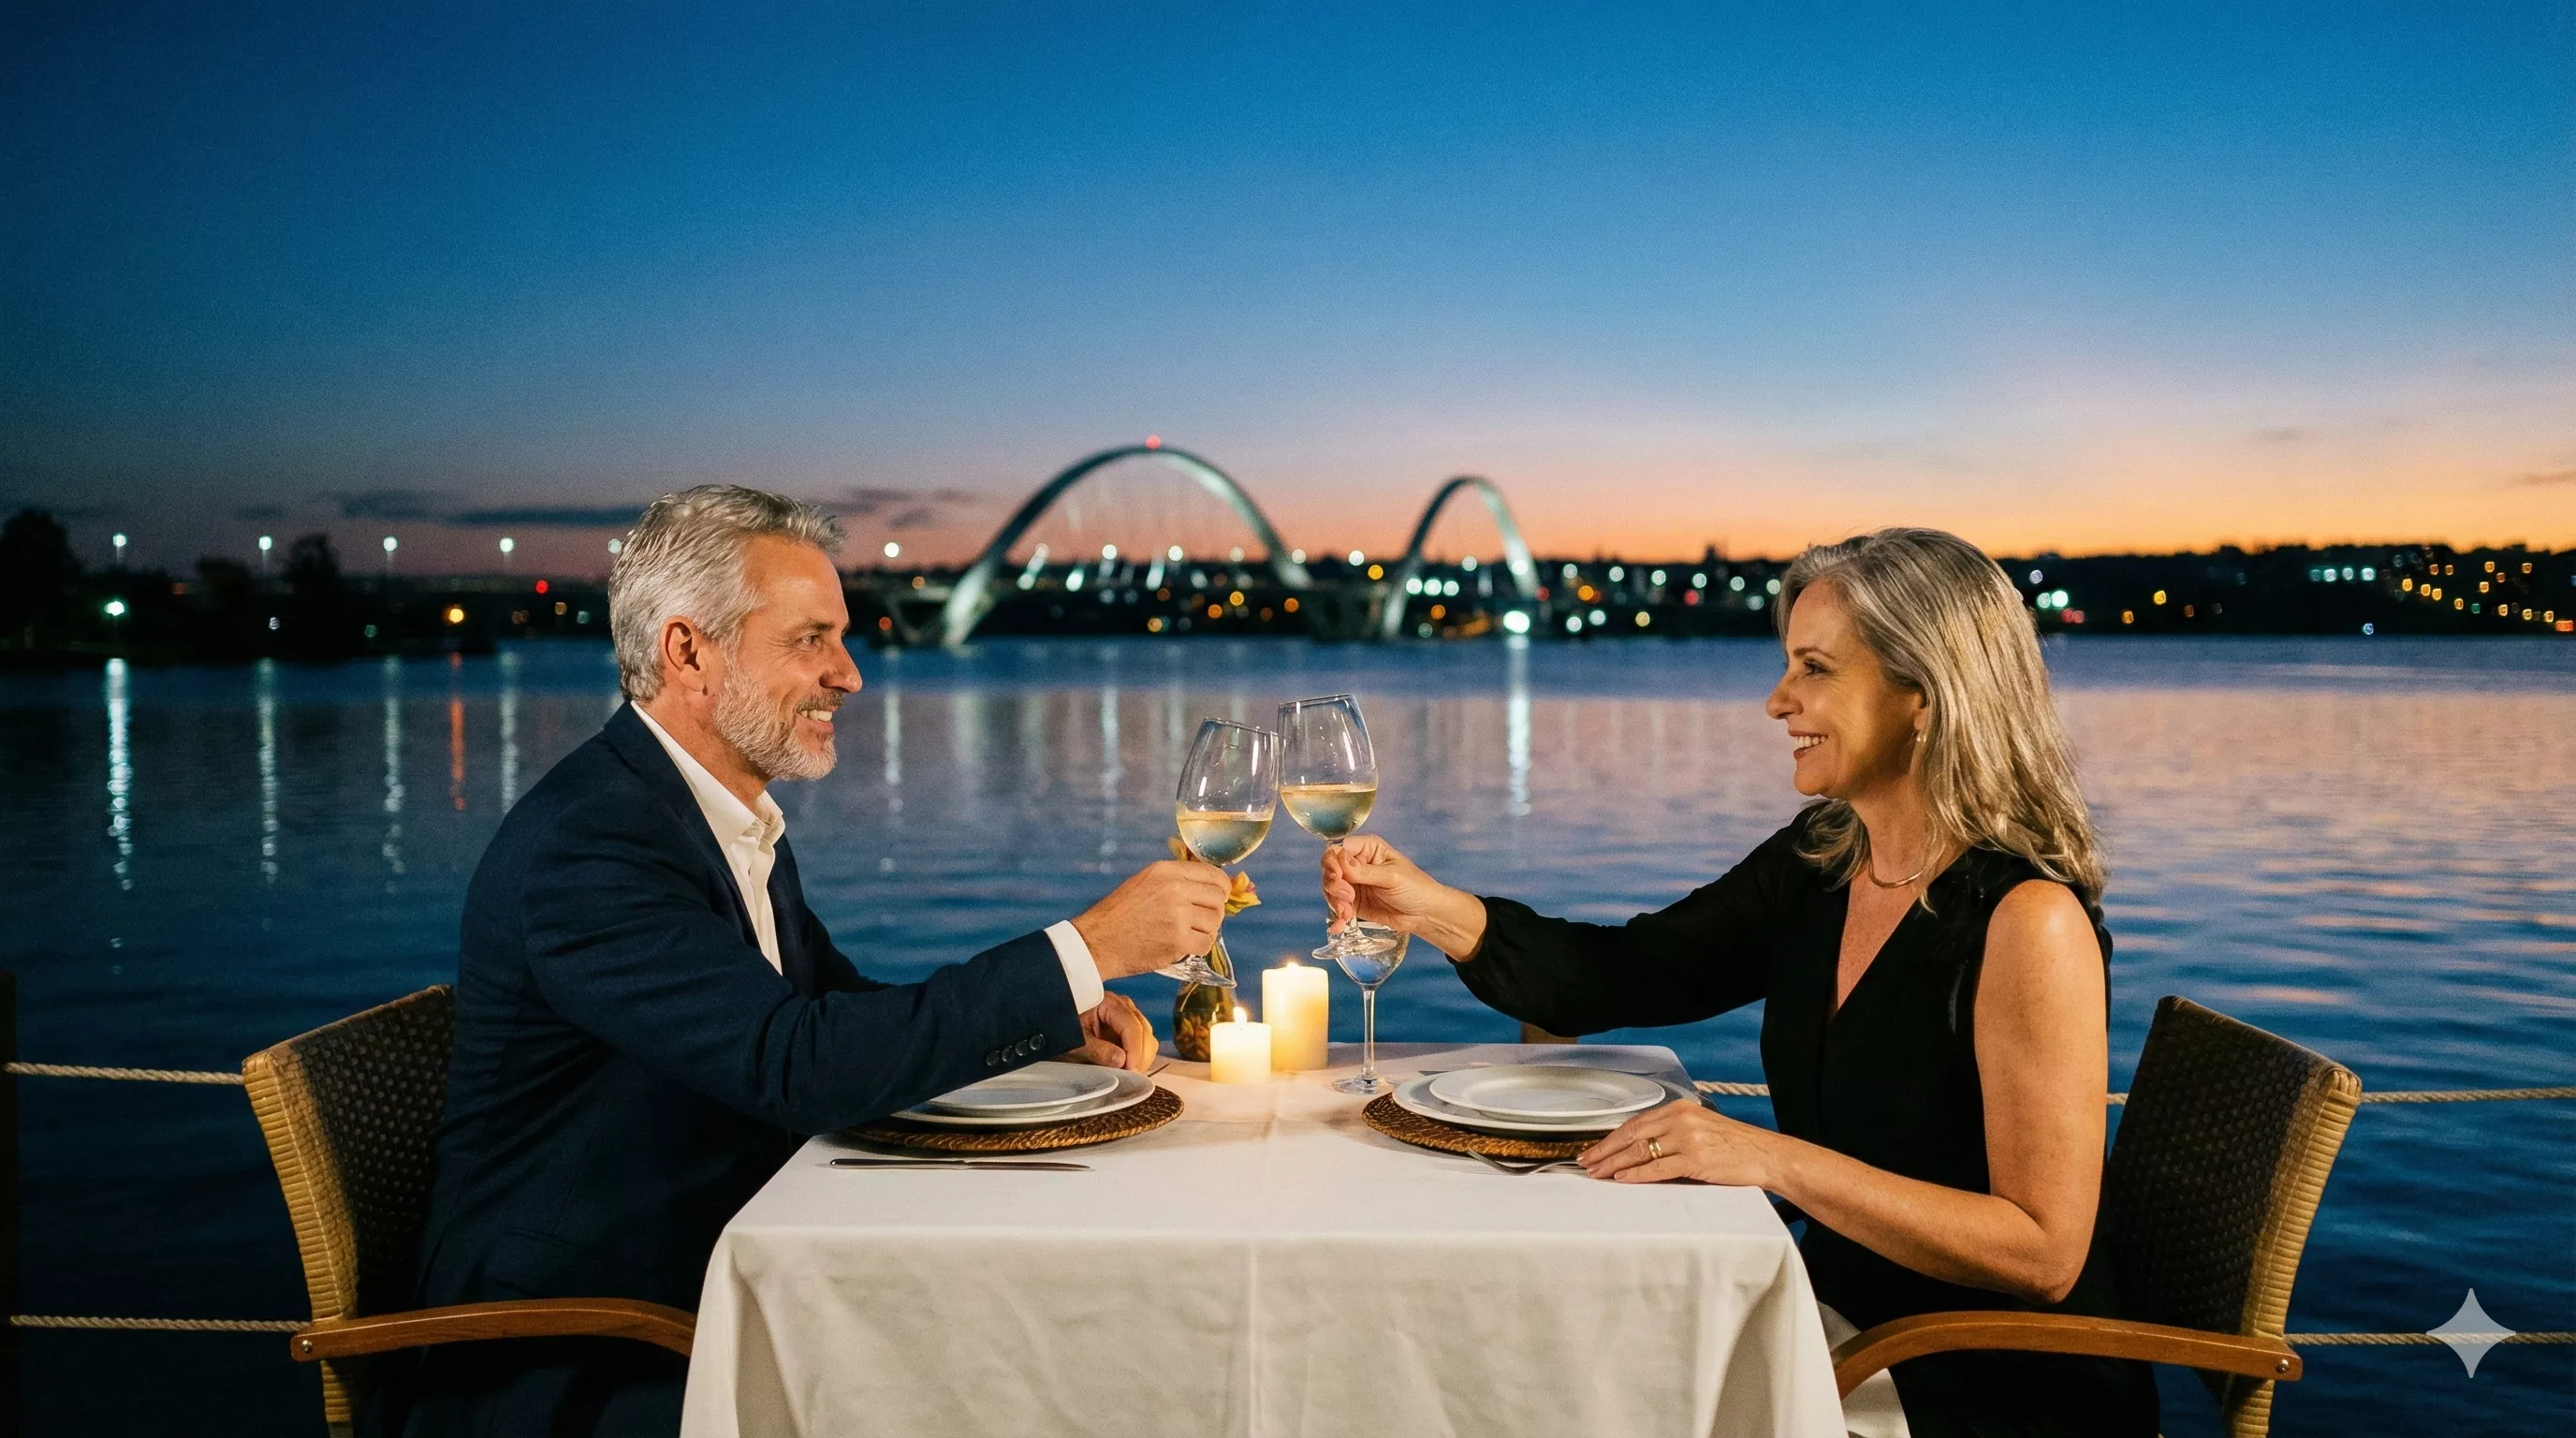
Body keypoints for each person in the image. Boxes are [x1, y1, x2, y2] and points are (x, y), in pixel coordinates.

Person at [394, 486, 1228, 1437]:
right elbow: (797, 1064)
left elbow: (831, 1011)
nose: (850, 675)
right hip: (575, 1351)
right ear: (688, 652)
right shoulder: (591, 849)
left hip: (715, 1273)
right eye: (810, 640)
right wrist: (1086, 948)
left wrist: (1048, 1025)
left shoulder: (709, 814)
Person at [1322, 528, 2159, 1438]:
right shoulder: (1823, 863)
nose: (1777, 701)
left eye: (1814, 668)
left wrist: (1768, 1159)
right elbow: (1619, 975)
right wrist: (1429, 907)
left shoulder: (2026, 923)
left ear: (1923, 695)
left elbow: (2042, 1251)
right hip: (1834, 1324)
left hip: (1977, 1383)